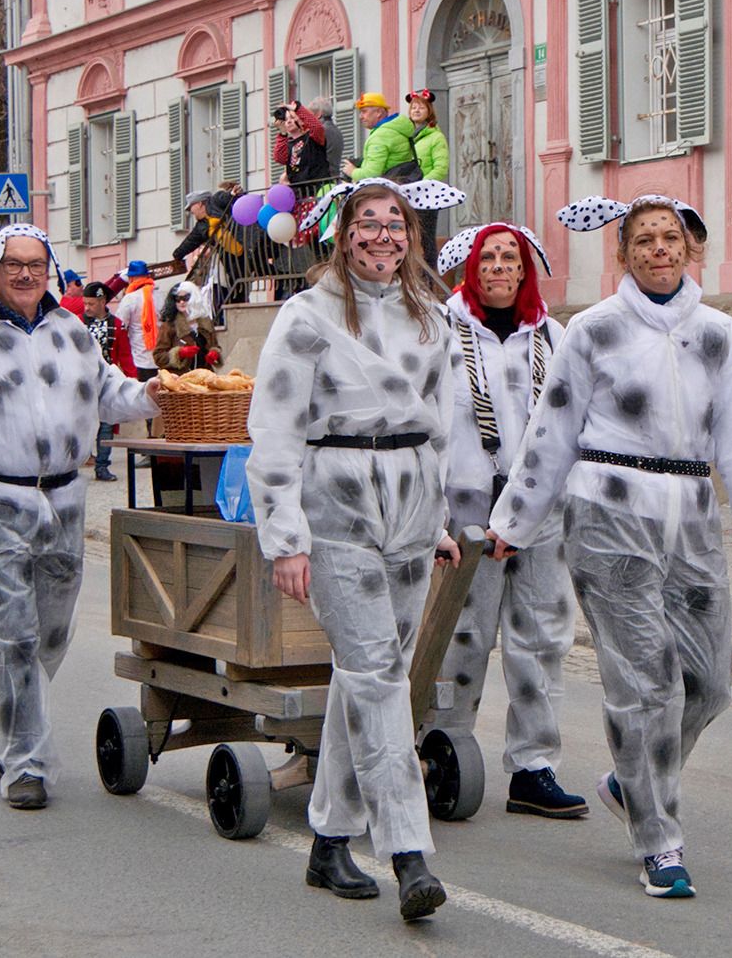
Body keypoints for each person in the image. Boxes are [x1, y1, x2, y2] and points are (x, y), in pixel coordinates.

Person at [487, 195, 732, 899]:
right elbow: (552, 430)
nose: (659, 249)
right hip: (609, 510)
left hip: (691, 515)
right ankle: (659, 840)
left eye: (670, 238)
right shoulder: (593, 330)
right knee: (644, 684)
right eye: (644, 239)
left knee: (708, 685)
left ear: (690, 250)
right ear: (623, 254)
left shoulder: (717, 333)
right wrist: (515, 521)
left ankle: (631, 781)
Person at [245, 181, 459, 922]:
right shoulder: (306, 316)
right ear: (343, 235)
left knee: (370, 674)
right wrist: (285, 539)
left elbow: (444, 424)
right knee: (377, 674)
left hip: (412, 504)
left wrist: (439, 519)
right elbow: (273, 429)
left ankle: (330, 839)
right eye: (367, 222)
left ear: (411, 236)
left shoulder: (432, 316)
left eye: (395, 223)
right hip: (337, 501)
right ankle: (408, 853)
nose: (382, 235)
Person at [0, 223, 160, 808]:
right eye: (13, 264)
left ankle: (2, 723)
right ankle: (25, 764)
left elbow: (107, 392)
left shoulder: (71, 331)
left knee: (50, 633)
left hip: (64, 499)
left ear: (49, 271)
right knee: (11, 634)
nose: (25, 275)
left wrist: (152, 395)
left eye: (36, 265)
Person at [425, 224, 584, 820]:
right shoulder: (441, 331)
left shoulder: (552, 336)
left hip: (540, 511)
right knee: (461, 636)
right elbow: (427, 422)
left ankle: (533, 766)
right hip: (467, 510)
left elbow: (570, 421)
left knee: (542, 637)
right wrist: (432, 513)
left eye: (509, 257)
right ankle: (443, 750)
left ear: (524, 269)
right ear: (471, 269)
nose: (498, 266)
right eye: (487, 257)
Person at [80, 281, 136, 482]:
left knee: (106, 424)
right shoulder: (77, 323)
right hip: (82, 382)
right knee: (81, 423)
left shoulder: (117, 325)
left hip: (106, 380)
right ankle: (74, 463)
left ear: (102, 302)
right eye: (85, 303)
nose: (86, 308)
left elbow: (125, 354)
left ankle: (102, 466)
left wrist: (132, 380)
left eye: (91, 304)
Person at [406, 89, 451, 270]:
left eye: (421, 107)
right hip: (407, 194)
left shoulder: (435, 137)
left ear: (429, 111)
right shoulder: (406, 137)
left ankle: (430, 278)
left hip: (427, 195)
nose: (416, 110)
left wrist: (421, 185)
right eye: (413, 107)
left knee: (426, 239)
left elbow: (440, 168)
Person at [342, 93, 417, 183]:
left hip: (384, 188)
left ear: (378, 112)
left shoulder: (380, 136)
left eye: (364, 111)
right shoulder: (397, 128)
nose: (360, 116)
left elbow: (371, 174)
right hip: (399, 184)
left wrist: (352, 171)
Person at [151, 281, 222, 374]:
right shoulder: (169, 325)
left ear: (194, 298)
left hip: (204, 376)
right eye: (178, 299)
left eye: (185, 298)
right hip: (179, 378)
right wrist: (179, 354)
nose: (181, 302)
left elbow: (215, 346)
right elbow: (158, 357)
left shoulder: (206, 323)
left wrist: (214, 353)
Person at [112, 259, 158, 383]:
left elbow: (119, 326)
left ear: (131, 278)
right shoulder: (159, 295)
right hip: (160, 360)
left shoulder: (130, 299)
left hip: (138, 360)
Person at [273, 100, 331, 190]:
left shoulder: (312, 137)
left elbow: (317, 127)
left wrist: (298, 109)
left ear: (301, 119)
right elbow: (279, 158)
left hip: (319, 189)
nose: (289, 122)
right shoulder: (288, 144)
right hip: (299, 193)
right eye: (285, 120)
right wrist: (283, 133)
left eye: (292, 118)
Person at [307, 96, 345, 177]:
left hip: (322, 178)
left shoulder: (320, 131)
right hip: (334, 176)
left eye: (309, 115)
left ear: (318, 114)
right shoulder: (336, 131)